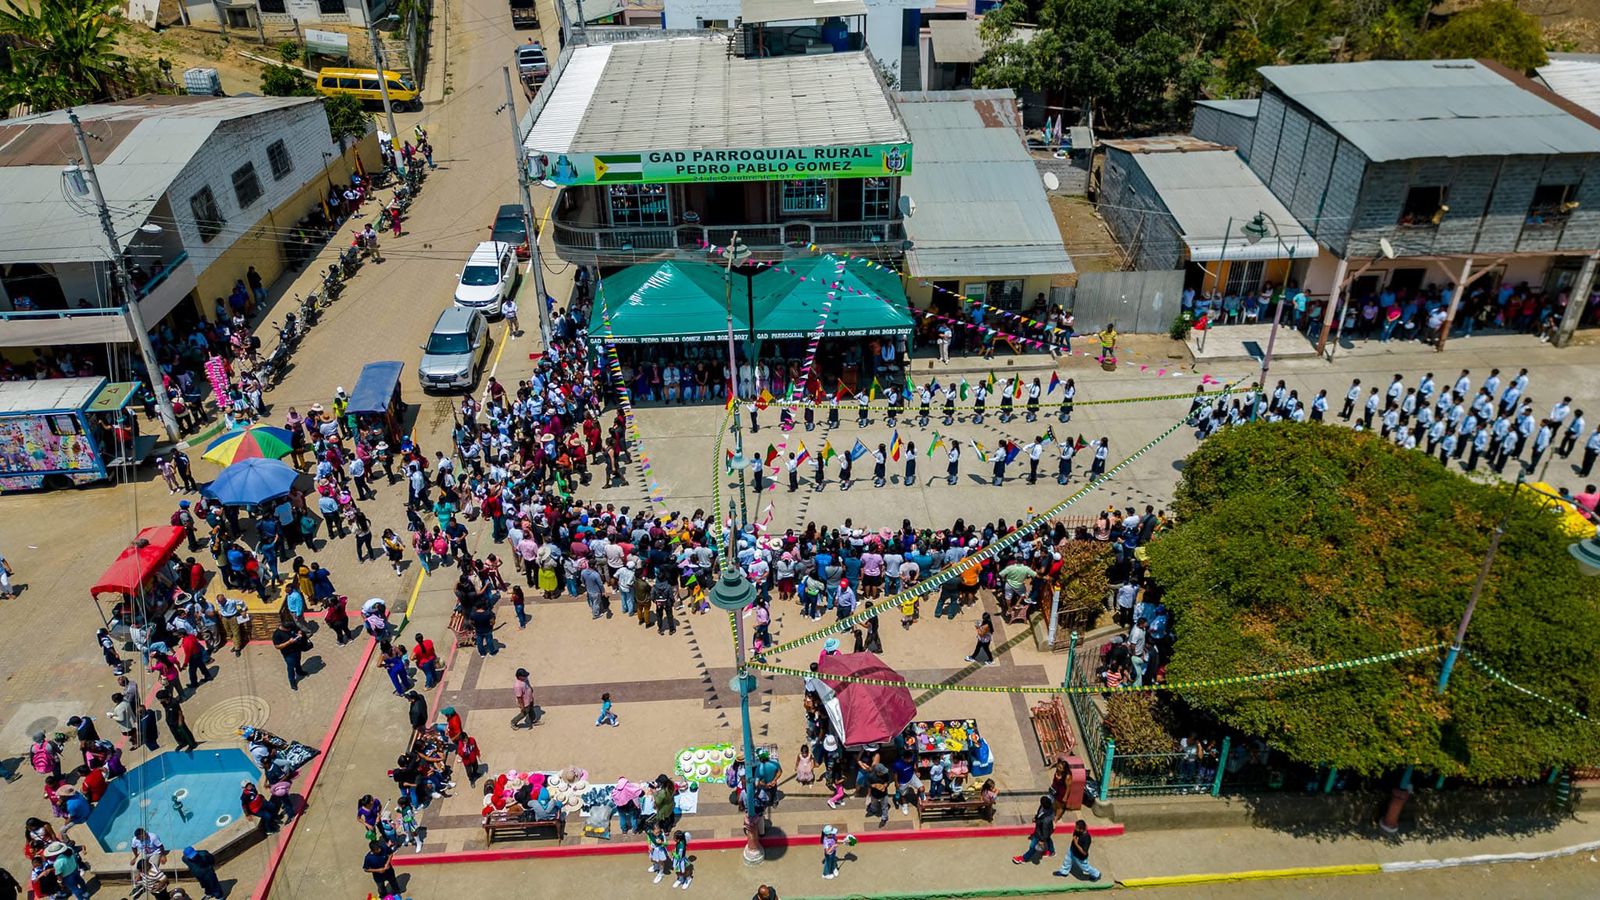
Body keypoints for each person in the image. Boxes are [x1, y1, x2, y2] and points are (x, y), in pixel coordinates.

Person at [1013, 795, 1056, 864]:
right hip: (1046, 829)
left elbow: (1045, 832)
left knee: (1033, 846)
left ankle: (1024, 858)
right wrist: (1036, 818)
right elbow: (1039, 814)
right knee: (1048, 838)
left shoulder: (1046, 820)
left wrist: (1042, 840)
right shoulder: (1047, 807)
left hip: (1040, 833)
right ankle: (1052, 851)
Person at [271, 620, 309, 690]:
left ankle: (299, 671)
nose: (290, 630)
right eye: (288, 629)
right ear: (284, 627)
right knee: (291, 667)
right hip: (288, 654)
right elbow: (277, 646)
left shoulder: (291, 626)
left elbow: (298, 629)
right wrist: (289, 642)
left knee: (298, 661)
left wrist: (299, 633)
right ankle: (292, 682)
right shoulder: (277, 634)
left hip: (297, 649)